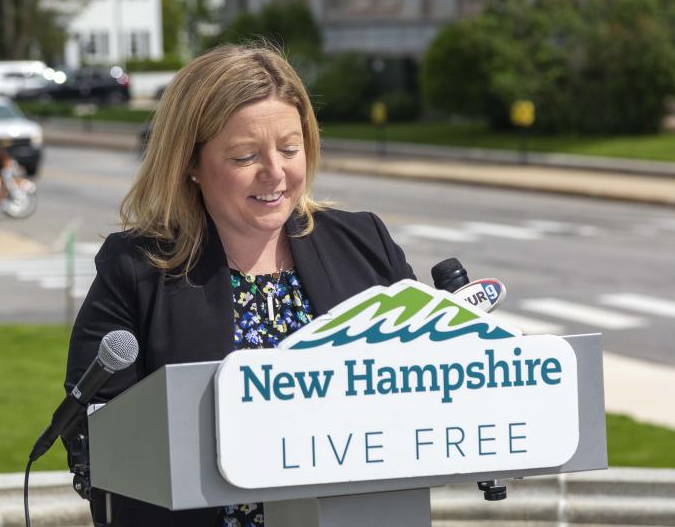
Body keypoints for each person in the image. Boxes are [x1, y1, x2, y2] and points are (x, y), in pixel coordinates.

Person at [64, 44, 415, 526]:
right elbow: (93, 436)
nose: (275, 173)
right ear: (190, 162)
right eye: (246, 155)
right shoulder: (135, 270)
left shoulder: (365, 243)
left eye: (290, 149)